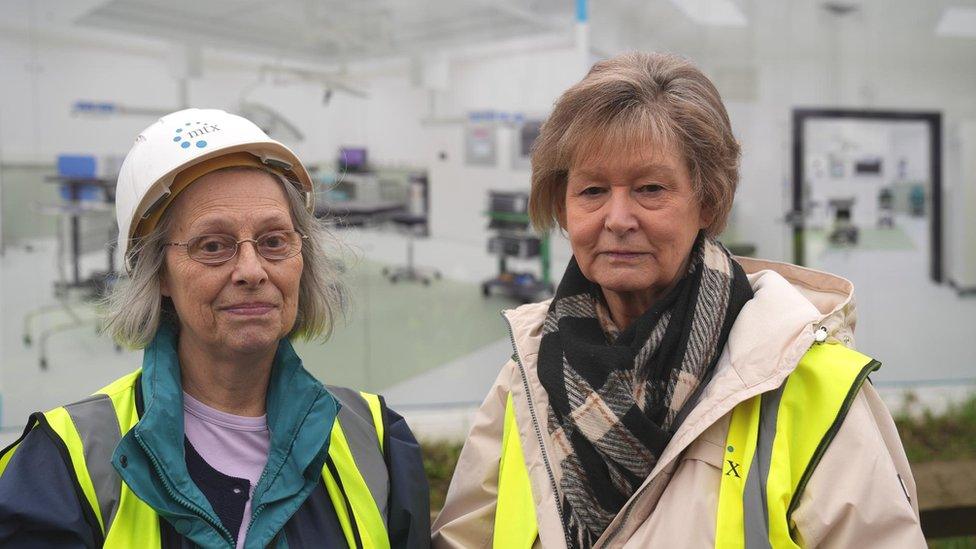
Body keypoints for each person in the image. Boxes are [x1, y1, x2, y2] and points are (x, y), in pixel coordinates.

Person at [432, 53, 925, 548]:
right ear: (563, 205)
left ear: (707, 200)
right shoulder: (527, 376)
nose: (618, 217)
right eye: (593, 190)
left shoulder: (802, 382)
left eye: (650, 188)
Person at [0, 108, 430, 548]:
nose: (251, 270)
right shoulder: (66, 463)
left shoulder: (374, 440)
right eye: (212, 245)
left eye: (274, 241)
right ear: (160, 274)